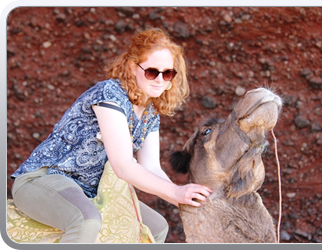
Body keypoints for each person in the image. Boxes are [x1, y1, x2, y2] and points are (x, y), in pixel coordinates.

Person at [10, 28, 213, 243]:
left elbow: (151, 167)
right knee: (86, 220)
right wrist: (174, 192)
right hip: (44, 179)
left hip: (92, 192)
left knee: (154, 228)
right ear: (134, 67)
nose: (160, 80)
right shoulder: (109, 95)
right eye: (152, 72)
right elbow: (123, 165)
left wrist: (184, 198)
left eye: (168, 73)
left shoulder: (151, 113)